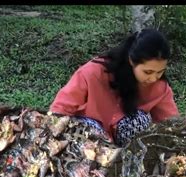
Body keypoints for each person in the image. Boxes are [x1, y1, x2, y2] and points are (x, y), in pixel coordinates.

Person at [49, 28, 179, 147]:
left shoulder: (160, 87)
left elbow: (172, 124)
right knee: (90, 129)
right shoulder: (93, 72)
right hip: (87, 134)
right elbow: (61, 109)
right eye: (148, 72)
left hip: (120, 141)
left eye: (160, 72)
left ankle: (124, 161)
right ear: (131, 61)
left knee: (140, 122)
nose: (154, 78)